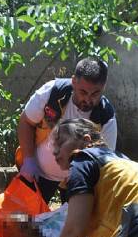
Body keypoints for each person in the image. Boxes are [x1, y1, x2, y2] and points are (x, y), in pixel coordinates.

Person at [17, 57, 117, 202]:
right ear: (73, 81)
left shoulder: (106, 116)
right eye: (83, 92)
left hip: (76, 181)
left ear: (104, 86)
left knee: (70, 223)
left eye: (95, 93)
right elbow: (26, 122)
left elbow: (103, 162)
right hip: (37, 171)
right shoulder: (52, 92)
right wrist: (29, 160)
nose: (88, 99)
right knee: (23, 219)